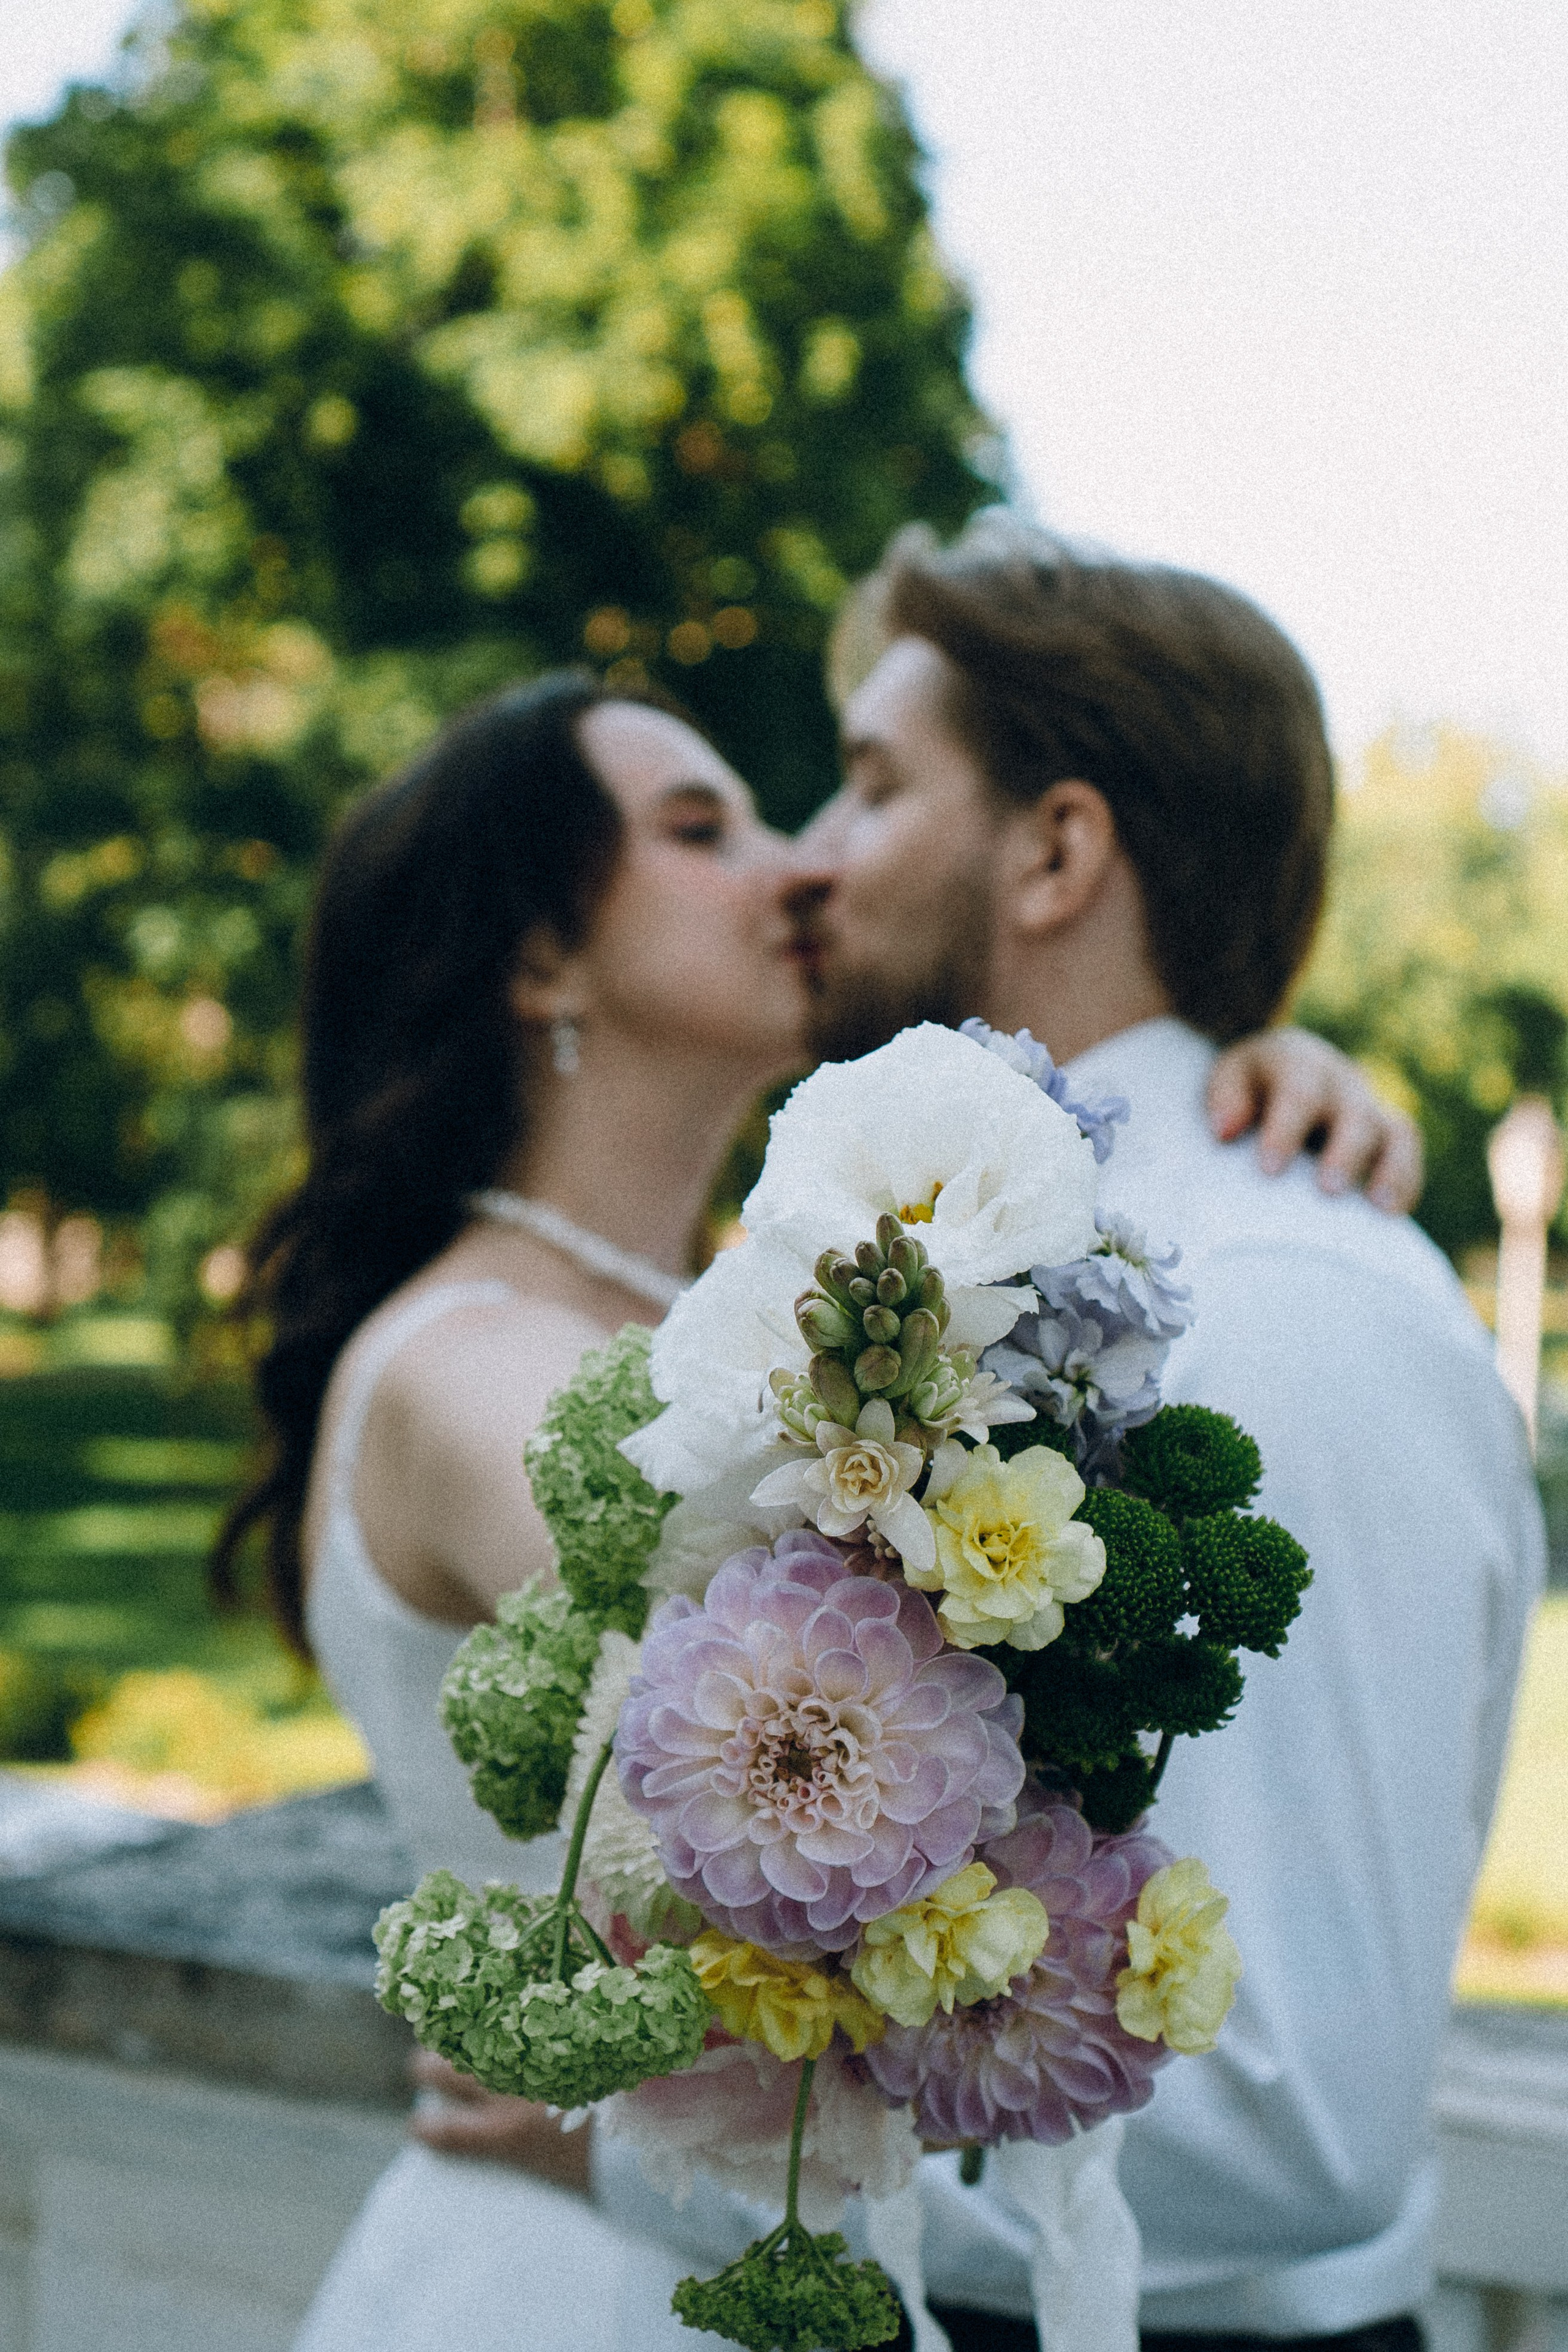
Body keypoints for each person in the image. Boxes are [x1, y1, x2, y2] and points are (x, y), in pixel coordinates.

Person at [214, 661, 1419, 2352]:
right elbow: (855, 1712)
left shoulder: (711, 1327)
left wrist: (1228, 1089)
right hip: (589, 2279)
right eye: (702, 830)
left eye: (788, 816)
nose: (801, 867)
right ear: (542, 955)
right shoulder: (471, 1365)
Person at [779, 518, 1546, 2352]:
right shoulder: (913, 1259)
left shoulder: (1283, 1309)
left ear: (1055, 849)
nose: (809, 858)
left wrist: (714, 2039)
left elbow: (1289, 2110)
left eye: (872, 788)